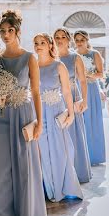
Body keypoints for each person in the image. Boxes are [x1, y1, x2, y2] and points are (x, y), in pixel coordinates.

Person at [0, 10, 47, 216]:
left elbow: (35, 92)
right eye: (2, 31)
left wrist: (39, 123)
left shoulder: (29, 58)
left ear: (17, 31)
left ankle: (24, 214)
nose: (6, 35)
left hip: (23, 115)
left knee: (23, 166)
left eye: (10, 30)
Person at [33, 33, 83, 202]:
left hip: (56, 113)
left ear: (50, 45)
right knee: (41, 152)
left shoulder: (58, 66)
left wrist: (71, 113)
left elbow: (67, 92)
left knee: (60, 150)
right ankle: (47, 188)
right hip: (38, 114)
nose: (38, 45)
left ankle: (63, 187)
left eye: (42, 42)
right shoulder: (32, 66)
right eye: (36, 43)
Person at [54, 27, 92, 183]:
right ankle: (61, 172)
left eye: (63, 37)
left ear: (68, 39)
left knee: (74, 134)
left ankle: (77, 172)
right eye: (56, 37)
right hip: (56, 98)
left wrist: (84, 100)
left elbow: (83, 81)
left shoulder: (75, 57)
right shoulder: (52, 57)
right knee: (59, 135)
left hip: (74, 96)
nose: (59, 39)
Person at [74, 30, 106, 165]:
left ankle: (93, 156)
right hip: (76, 90)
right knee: (78, 122)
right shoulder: (72, 55)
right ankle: (79, 156)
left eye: (82, 40)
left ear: (87, 40)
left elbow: (101, 74)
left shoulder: (95, 54)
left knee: (92, 121)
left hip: (91, 90)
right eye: (77, 40)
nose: (80, 42)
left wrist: (86, 75)